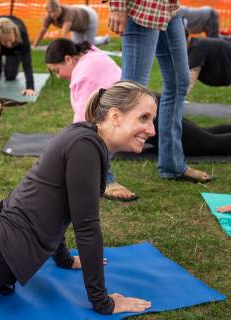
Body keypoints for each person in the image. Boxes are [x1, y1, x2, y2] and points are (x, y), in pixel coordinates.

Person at [0, 81, 154, 314]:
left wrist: (65, 260)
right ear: (115, 116)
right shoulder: (86, 148)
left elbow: (55, 206)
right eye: (144, 118)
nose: (151, 130)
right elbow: (87, 227)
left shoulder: (81, 134)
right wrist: (104, 303)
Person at [108, 0, 211, 183]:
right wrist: (118, 6)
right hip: (142, 7)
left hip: (169, 8)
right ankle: (101, 174)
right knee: (131, 93)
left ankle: (172, 164)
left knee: (180, 82)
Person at [45, 38, 137, 201]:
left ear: (68, 59)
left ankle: (106, 181)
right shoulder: (91, 57)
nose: (58, 77)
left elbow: (84, 120)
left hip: (130, 116)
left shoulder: (85, 72)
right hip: (133, 111)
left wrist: (70, 144)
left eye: (57, 70)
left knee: (93, 136)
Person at [32, 0, 107, 49]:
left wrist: (60, 48)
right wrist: (34, 46)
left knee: (89, 45)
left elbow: (64, 34)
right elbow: (43, 30)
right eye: (49, 12)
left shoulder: (68, 13)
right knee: (78, 45)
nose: (52, 14)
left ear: (59, 8)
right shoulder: (49, 16)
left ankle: (105, 39)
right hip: (77, 22)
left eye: (54, 11)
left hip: (89, 16)